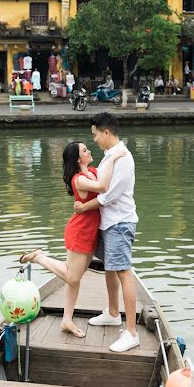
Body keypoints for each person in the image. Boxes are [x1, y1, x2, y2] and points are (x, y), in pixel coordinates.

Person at [19, 141, 127, 338]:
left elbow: (108, 183)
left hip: (91, 231)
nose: (89, 150)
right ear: (78, 159)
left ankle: (66, 320)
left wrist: (111, 160)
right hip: (80, 232)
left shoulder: (92, 171)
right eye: (85, 150)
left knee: (73, 279)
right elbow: (103, 187)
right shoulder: (79, 179)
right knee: (72, 277)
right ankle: (39, 257)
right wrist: (113, 157)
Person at [73, 112, 140, 353]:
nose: (95, 140)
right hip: (107, 223)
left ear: (106, 132)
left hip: (119, 222)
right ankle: (113, 313)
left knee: (123, 272)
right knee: (110, 268)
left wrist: (83, 208)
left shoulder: (123, 158)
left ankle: (132, 333)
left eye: (95, 135)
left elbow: (108, 195)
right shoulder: (109, 156)